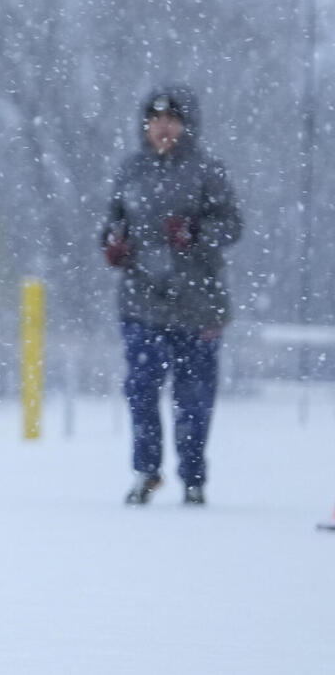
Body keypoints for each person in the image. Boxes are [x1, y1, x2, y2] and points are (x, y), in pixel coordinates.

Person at [99, 85, 242, 506]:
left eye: (172, 121)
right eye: (155, 120)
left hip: (198, 306)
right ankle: (147, 471)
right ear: (144, 125)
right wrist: (112, 244)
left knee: (193, 398)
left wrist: (197, 232)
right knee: (141, 389)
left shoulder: (206, 172)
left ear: (186, 126)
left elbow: (232, 225)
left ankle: (193, 478)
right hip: (141, 303)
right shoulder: (130, 172)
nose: (163, 128)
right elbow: (113, 223)